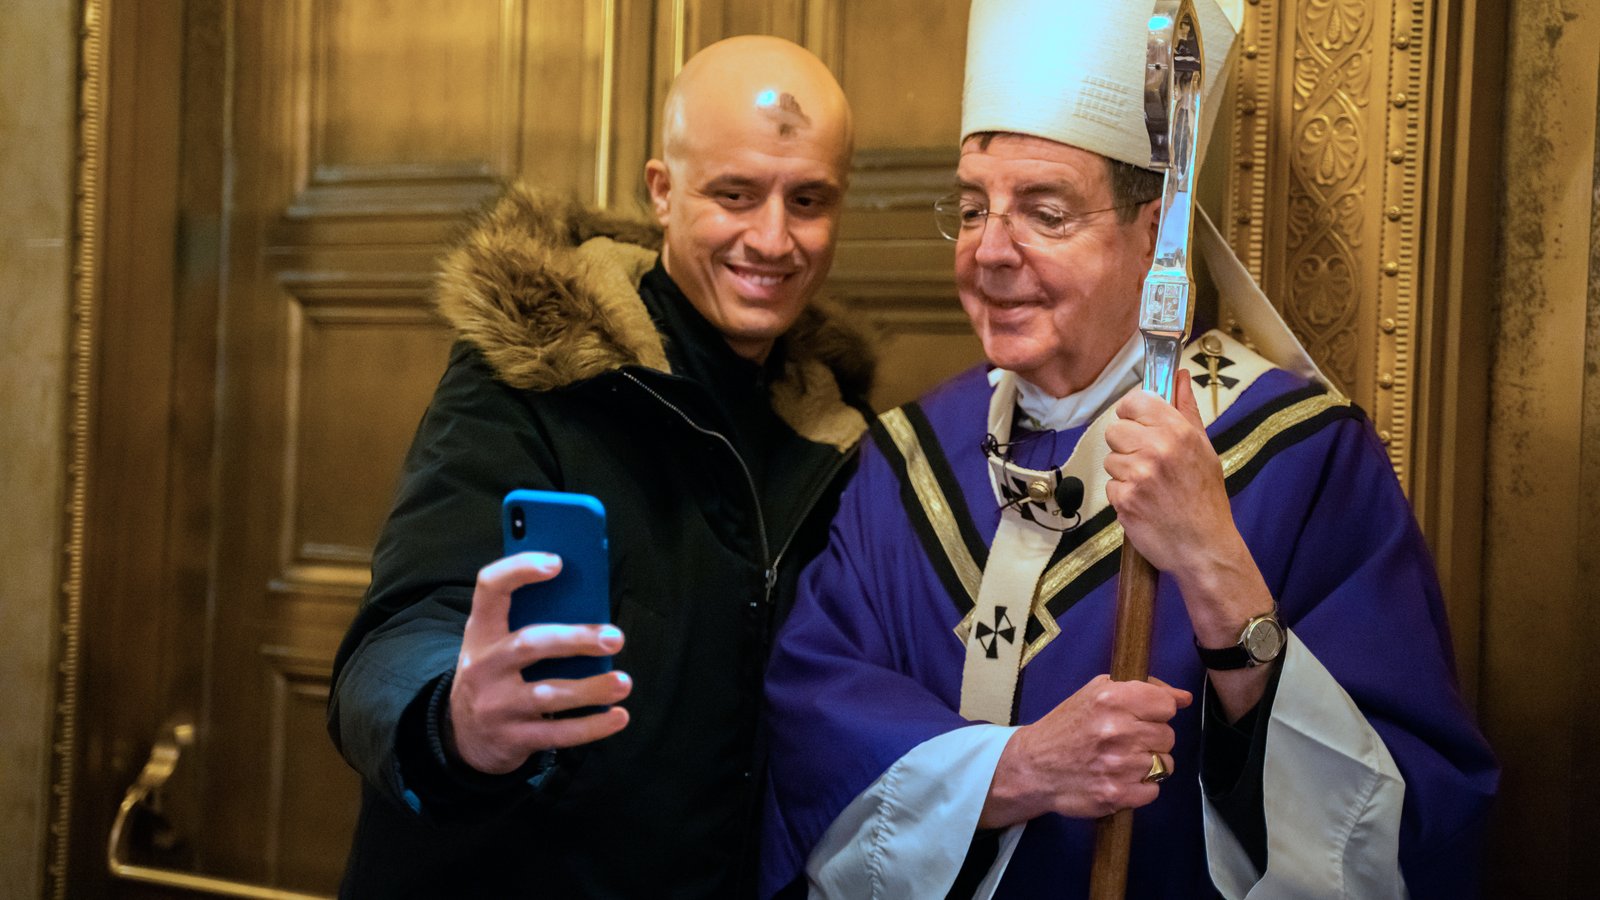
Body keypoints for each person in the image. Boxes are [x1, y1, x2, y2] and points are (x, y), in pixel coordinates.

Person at [759, 1, 1497, 897]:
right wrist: (1013, 770)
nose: (990, 251)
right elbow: (812, 719)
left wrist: (1216, 566)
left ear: (1156, 235)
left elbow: (1400, 816)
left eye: (1045, 212)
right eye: (971, 207)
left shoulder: (1296, 456)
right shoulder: (905, 459)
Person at [327, 35, 872, 898]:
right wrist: (457, 717)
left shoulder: (834, 433)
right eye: (734, 194)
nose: (773, 239)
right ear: (662, 191)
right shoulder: (532, 376)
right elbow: (394, 640)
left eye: (809, 200)